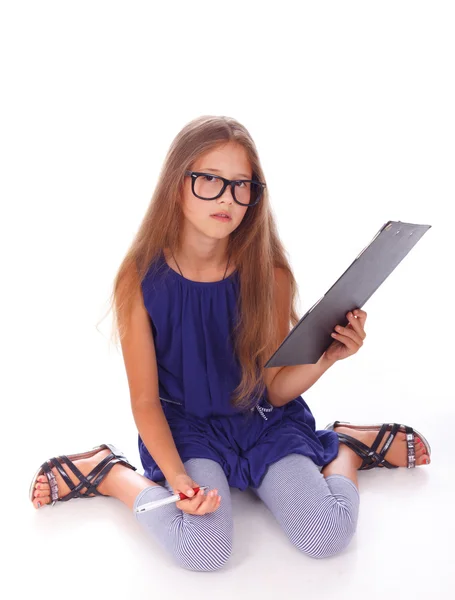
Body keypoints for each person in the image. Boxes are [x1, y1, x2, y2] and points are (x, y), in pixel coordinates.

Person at [29, 115, 431, 572]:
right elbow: (145, 401)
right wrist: (178, 479)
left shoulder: (271, 276)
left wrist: (327, 358)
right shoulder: (139, 280)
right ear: (176, 185)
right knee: (203, 550)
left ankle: (344, 449)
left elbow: (275, 390)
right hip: (188, 429)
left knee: (326, 534)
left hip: (264, 424)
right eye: (210, 181)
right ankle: (111, 474)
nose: (227, 198)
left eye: (242, 185)